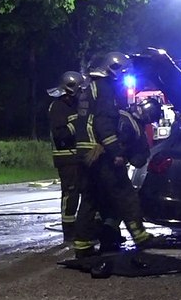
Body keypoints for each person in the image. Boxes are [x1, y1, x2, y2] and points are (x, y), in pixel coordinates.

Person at [72, 52, 158, 258]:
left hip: (85, 151)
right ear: (112, 69)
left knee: (90, 198)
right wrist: (116, 152)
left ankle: (82, 245)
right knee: (125, 192)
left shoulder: (89, 86)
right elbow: (104, 123)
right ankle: (139, 235)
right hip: (99, 151)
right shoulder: (104, 89)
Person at [47, 71, 85, 245]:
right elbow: (60, 135)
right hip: (66, 158)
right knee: (70, 195)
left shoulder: (77, 105)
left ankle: (86, 230)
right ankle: (68, 233)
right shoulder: (57, 107)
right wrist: (77, 124)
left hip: (79, 157)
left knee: (87, 193)